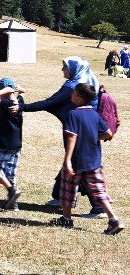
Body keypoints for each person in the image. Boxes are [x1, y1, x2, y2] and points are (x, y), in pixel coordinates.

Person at [16, 56, 102, 215]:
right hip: (86, 129)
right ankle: (58, 196)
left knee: (79, 166)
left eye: (65, 67)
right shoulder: (86, 81)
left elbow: (51, 102)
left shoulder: (74, 87)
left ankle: (99, 207)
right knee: (73, 163)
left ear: (75, 69)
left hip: (77, 132)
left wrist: (22, 107)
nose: (62, 70)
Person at [51, 83, 124, 235]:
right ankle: (114, 219)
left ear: (79, 97)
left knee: (68, 189)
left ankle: (66, 218)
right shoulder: (94, 114)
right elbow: (109, 133)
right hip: (94, 160)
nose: (71, 94)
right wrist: (94, 138)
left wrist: (68, 159)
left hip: (78, 159)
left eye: (73, 93)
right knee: (99, 191)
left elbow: (72, 136)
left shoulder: (73, 114)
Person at [0, 77, 25, 210]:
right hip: (16, 144)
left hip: (3, 143)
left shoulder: (6, 104)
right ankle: (13, 204)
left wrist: (7, 90)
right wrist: (14, 90)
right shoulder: (20, 101)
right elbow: (23, 91)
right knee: (10, 172)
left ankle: (11, 190)